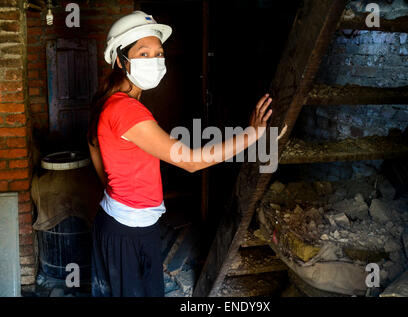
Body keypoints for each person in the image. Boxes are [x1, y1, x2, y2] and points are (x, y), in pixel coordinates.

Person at [86, 11, 272, 297]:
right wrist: (253, 134)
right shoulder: (126, 110)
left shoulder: (112, 103)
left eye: (159, 53)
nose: (155, 60)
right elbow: (191, 161)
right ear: (121, 60)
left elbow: (94, 148)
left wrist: (117, 189)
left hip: (124, 224)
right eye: (143, 53)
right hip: (128, 232)